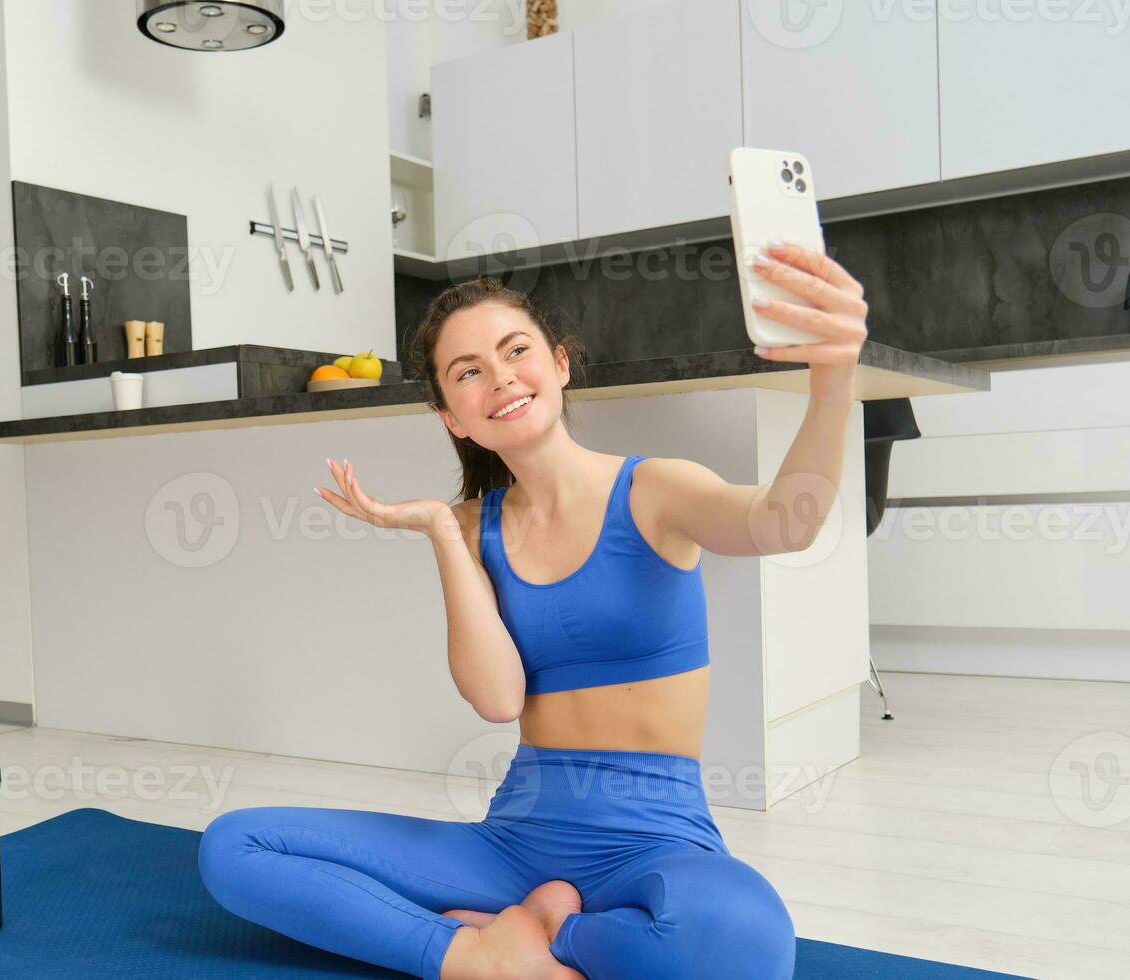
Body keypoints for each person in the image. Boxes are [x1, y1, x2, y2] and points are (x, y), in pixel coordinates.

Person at [199, 242, 869, 980]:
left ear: (558, 363)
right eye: (468, 373)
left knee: (748, 940)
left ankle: (554, 930)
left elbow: (786, 522)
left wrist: (832, 383)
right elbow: (498, 698)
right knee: (233, 846)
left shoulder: (655, 491)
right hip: (511, 846)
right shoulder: (468, 528)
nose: (499, 378)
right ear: (453, 416)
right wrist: (439, 532)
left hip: (652, 843)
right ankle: (477, 957)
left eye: (515, 351)